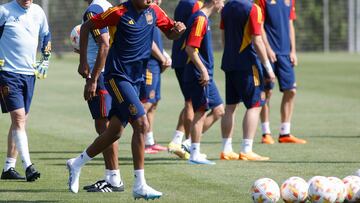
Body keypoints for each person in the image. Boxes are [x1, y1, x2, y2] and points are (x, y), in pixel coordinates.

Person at [66, 0, 185, 200]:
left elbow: (170, 33)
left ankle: (76, 163)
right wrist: (83, 60)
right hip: (117, 77)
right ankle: (140, 185)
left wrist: (178, 31)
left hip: (137, 79)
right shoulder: (118, 12)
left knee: (114, 132)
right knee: (141, 123)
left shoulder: (154, 11)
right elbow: (87, 27)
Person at [76, 0, 124, 192]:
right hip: (111, 72)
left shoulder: (93, 10)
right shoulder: (107, 6)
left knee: (104, 126)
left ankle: (114, 178)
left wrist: (93, 79)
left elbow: (104, 44)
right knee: (108, 126)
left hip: (101, 75)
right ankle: (112, 177)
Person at [0, 0, 50, 182]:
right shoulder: (4, 11)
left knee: (20, 121)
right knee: (19, 117)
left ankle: (8, 168)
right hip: (7, 73)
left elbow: (46, 35)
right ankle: (28, 166)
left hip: (29, 74)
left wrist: (45, 58)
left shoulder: (38, 12)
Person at [219, 0, 275, 161]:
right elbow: (257, 40)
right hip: (247, 64)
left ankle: (226, 149)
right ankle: (246, 149)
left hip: (229, 62)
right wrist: (268, 68)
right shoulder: (253, 9)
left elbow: (223, 36)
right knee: (255, 105)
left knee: (230, 106)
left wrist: (230, 55)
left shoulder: (227, 7)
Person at [256, 0, 306, 144]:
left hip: (285, 54)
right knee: (267, 92)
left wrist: (293, 50)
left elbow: (290, 24)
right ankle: (266, 133)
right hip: (268, 53)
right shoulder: (261, 1)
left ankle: (285, 132)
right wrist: (267, 48)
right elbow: (260, 25)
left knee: (291, 90)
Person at [183, 0, 225, 165]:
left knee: (219, 110)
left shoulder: (203, 19)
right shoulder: (200, 19)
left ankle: (189, 143)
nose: (223, 4)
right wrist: (203, 70)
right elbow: (190, 49)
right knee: (200, 111)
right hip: (198, 73)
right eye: (222, 1)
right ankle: (194, 153)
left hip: (206, 73)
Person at [168, 0, 204, 159]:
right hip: (186, 59)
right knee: (192, 104)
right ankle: (188, 143)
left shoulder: (183, 3)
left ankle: (178, 140)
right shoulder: (194, 5)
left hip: (180, 57)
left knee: (189, 102)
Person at [142, 0, 171, 154]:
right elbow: (149, 42)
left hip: (156, 64)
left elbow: (157, 42)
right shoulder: (147, 12)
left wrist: (164, 55)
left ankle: (149, 142)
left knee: (153, 103)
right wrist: (162, 58)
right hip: (149, 64)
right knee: (146, 103)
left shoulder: (156, 13)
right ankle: (141, 140)